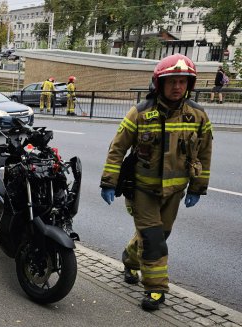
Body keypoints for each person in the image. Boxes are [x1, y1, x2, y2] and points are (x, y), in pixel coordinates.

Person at [99, 54, 212, 311]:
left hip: (175, 191)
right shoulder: (139, 113)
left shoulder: (198, 116)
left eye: (183, 81)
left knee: (159, 236)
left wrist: (197, 188)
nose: (177, 87)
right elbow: (117, 149)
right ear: (158, 83)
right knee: (153, 239)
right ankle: (156, 290)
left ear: (189, 85)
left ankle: (130, 260)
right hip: (143, 190)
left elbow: (204, 153)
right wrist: (108, 182)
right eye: (172, 81)